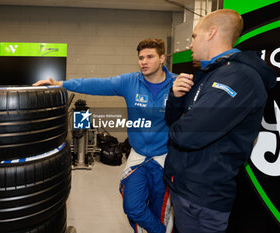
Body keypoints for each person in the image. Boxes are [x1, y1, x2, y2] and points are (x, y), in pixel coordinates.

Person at [34, 38, 176, 233]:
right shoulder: (130, 82)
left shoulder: (177, 84)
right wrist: (60, 83)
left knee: (161, 211)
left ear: (161, 58)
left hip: (164, 159)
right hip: (139, 156)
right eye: (141, 57)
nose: (144, 61)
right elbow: (96, 84)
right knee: (133, 207)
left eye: (150, 57)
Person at [164, 9, 277, 233]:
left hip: (203, 198)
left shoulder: (239, 77)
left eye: (194, 36)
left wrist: (181, 124)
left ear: (212, 32)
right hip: (185, 187)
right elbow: (173, 121)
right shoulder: (210, 73)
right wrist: (176, 99)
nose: (190, 44)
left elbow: (187, 135)